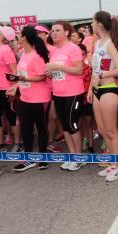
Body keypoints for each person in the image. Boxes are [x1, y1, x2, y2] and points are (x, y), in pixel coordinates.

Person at [8, 25, 52, 172]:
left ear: (24, 37)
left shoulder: (36, 55)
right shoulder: (23, 54)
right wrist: (15, 86)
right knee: (26, 128)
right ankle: (28, 158)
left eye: (18, 35)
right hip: (25, 98)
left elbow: (42, 76)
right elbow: (22, 78)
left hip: (40, 98)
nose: (16, 37)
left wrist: (24, 78)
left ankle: (43, 158)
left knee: (41, 127)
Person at [88, 11, 118, 182]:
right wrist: (90, 88)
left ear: (100, 24)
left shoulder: (109, 43)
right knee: (103, 130)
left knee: (111, 130)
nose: (91, 24)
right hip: (97, 90)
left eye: (93, 21)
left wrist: (103, 76)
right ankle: (112, 163)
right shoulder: (97, 43)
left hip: (109, 88)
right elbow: (94, 69)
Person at [46, 21, 86, 169]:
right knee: (64, 126)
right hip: (58, 93)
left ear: (67, 32)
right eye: (52, 31)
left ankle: (79, 157)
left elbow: (78, 70)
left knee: (72, 124)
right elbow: (56, 73)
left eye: (57, 30)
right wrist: (50, 73)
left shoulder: (73, 48)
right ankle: (71, 155)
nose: (54, 33)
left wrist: (58, 67)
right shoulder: (55, 51)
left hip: (73, 92)